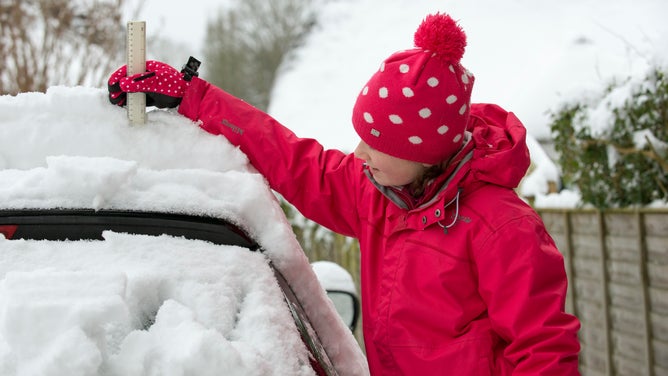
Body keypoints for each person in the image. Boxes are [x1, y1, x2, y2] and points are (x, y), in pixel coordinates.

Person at [108, 12, 581, 375]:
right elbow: (288, 156)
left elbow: (543, 347)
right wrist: (194, 96)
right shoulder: (376, 192)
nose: (360, 152)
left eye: (377, 144)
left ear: (426, 152)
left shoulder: (502, 227)